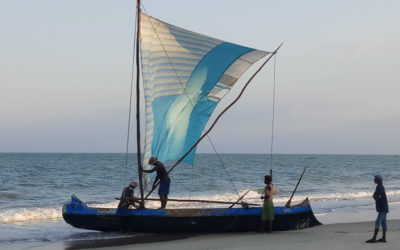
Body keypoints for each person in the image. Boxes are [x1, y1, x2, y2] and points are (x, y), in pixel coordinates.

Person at [366, 175, 389, 243]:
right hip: (384, 207)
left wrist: (374, 196)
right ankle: (384, 238)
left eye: (375, 179)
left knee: (377, 222)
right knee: (383, 223)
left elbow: (376, 196)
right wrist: (375, 196)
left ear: (378, 180)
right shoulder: (381, 186)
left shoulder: (379, 187)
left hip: (382, 207)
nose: (374, 180)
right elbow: (378, 196)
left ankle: (374, 239)